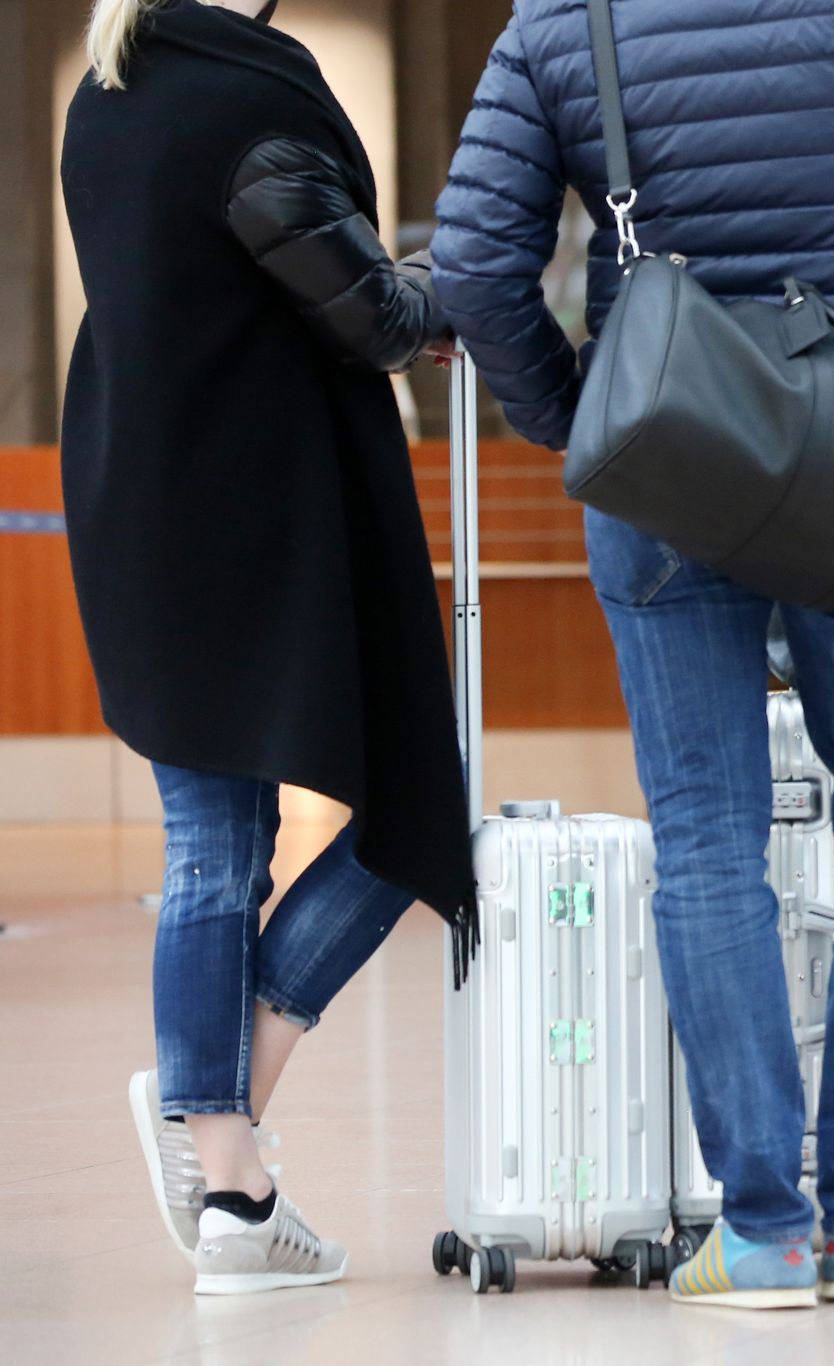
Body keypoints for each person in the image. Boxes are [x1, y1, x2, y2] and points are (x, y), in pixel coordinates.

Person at [432, 0, 834, 1308]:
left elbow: (479, 266)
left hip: (666, 458)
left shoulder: (565, 15)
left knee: (707, 835)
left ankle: (763, 1227)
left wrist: (588, 418)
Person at [65, 0, 472, 1294]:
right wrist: (443, 302)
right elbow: (357, 305)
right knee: (404, 821)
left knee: (213, 843)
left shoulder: (103, 96)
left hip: (137, 497)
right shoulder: (248, 101)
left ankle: (215, 1118)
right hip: (253, 518)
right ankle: (229, 1160)